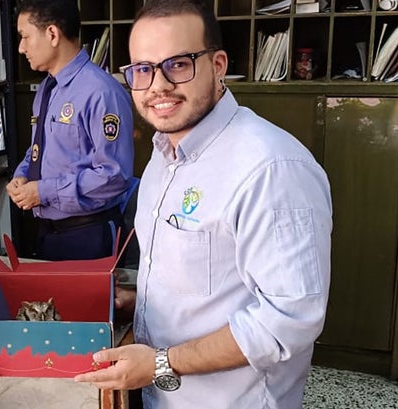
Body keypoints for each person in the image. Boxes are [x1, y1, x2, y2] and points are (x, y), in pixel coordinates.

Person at [74, 1, 333, 408]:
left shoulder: (272, 168)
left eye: (178, 64)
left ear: (218, 65)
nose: (158, 85)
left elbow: (287, 323)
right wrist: (142, 303)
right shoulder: (164, 153)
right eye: (142, 69)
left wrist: (160, 363)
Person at [6, 0, 135, 261]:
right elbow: (40, 148)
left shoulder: (100, 92)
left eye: (25, 37)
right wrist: (23, 175)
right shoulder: (47, 88)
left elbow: (114, 176)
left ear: (52, 34)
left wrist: (43, 191)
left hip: (88, 233)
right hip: (48, 230)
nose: (21, 48)